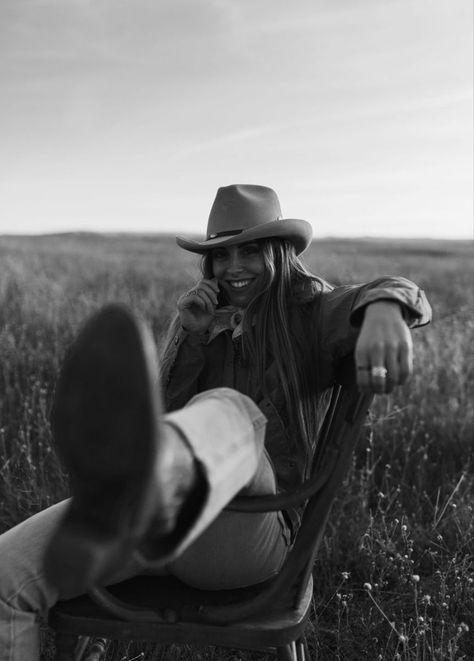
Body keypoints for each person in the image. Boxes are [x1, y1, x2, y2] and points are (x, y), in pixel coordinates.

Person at [0, 184, 431, 660]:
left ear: (280, 252)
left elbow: (373, 291)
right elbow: (167, 407)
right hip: (163, 524)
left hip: (247, 533)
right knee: (4, 577)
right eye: (221, 256)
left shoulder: (311, 310)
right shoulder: (206, 319)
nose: (234, 268)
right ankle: (148, 485)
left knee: (232, 410)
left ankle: (154, 471)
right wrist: (192, 337)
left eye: (250, 251)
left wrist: (389, 308)